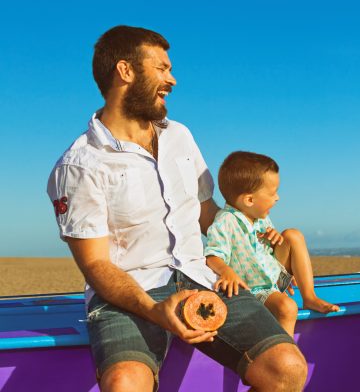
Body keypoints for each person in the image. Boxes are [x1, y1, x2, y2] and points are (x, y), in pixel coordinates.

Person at [47, 25, 307, 392]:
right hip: (130, 294)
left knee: (287, 368)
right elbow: (95, 265)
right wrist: (155, 310)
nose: (172, 80)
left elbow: (207, 214)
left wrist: (262, 251)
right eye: (162, 68)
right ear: (125, 71)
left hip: (203, 279)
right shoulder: (79, 165)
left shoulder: (180, 136)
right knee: (124, 384)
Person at [204, 151, 339, 336]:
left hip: (272, 278)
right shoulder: (225, 221)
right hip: (254, 289)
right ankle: (286, 350)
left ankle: (309, 297)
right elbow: (212, 256)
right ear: (249, 200)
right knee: (287, 308)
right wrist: (226, 271)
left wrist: (275, 240)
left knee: (293, 235)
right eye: (273, 193)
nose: (277, 198)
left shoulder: (260, 217)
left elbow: (267, 252)